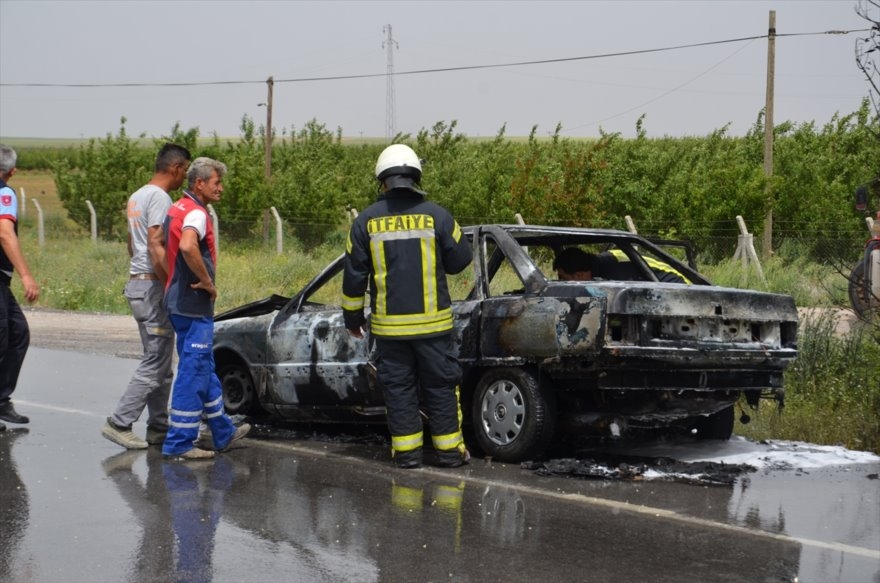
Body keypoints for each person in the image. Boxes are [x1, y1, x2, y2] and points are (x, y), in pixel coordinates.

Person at [342, 144, 473, 469]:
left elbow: (354, 276)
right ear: (415, 177)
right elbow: (461, 260)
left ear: (382, 181)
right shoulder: (438, 215)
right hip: (434, 328)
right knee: (440, 388)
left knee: (399, 390)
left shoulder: (366, 223)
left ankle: (407, 455)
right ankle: (448, 453)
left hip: (390, 331)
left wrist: (353, 318)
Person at [101, 143, 191, 450]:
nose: (185, 178)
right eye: (186, 171)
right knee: (155, 361)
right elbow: (156, 243)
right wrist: (170, 285)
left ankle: (158, 427)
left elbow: (132, 242)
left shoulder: (137, 196)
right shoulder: (159, 197)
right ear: (176, 168)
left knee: (162, 362)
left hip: (138, 284)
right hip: (152, 286)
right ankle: (119, 422)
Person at [162, 157, 249, 460]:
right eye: (216, 182)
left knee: (205, 367)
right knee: (193, 370)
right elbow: (187, 246)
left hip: (178, 300)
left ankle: (222, 431)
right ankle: (180, 443)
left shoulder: (176, 208)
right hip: (193, 304)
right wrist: (207, 282)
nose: (220, 188)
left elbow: (163, 249)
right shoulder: (197, 213)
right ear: (199, 183)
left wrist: (171, 283)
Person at [0, 144, 39, 431]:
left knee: (17, 333)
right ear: (12, 171)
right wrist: (26, 275)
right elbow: (4, 233)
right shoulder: (4, 192)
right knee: (5, 337)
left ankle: (1, 400)